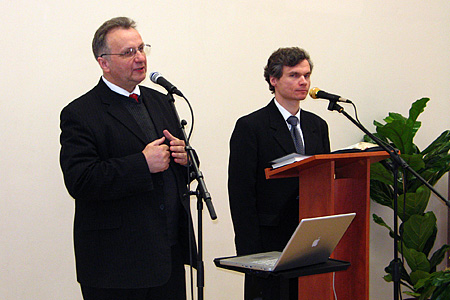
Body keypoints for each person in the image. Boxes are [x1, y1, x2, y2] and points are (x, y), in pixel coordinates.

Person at [59, 17, 195, 300]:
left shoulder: (161, 101)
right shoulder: (80, 113)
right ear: (104, 62)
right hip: (115, 265)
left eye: (141, 48)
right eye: (128, 52)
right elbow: (80, 180)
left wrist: (186, 159)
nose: (139, 58)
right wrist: (142, 164)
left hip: (167, 256)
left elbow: (181, 169)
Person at [228, 47, 331, 300]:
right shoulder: (251, 126)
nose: (303, 81)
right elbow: (240, 192)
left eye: (306, 75)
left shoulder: (318, 125)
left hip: (309, 235)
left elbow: (325, 180)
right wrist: (249, 252)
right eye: (294, 75)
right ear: (274, 80)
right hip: (268, 237)